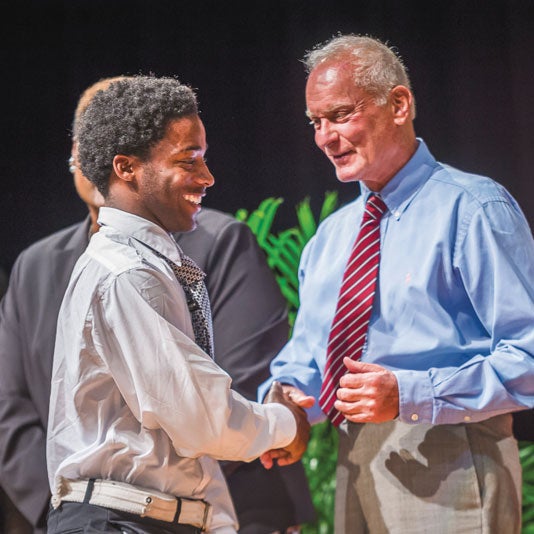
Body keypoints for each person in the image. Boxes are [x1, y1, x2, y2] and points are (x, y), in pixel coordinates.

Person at [0, 76, 314, 533]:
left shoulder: (139, 262)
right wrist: (286, 424)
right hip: (121, 520)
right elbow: (203, 419)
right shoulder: (127, 272)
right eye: (190, 161)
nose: (207, 178)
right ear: (126, 168)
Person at [258, 34, 534, 533]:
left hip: (450, 456)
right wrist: (284, 408)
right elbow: (306, 363)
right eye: (316, 123)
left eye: (340, 115)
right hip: (355, 464)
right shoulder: (331, 237)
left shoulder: (472, 208)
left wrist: (412, 394)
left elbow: (528, 357)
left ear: (399, 104)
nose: (324, 137)